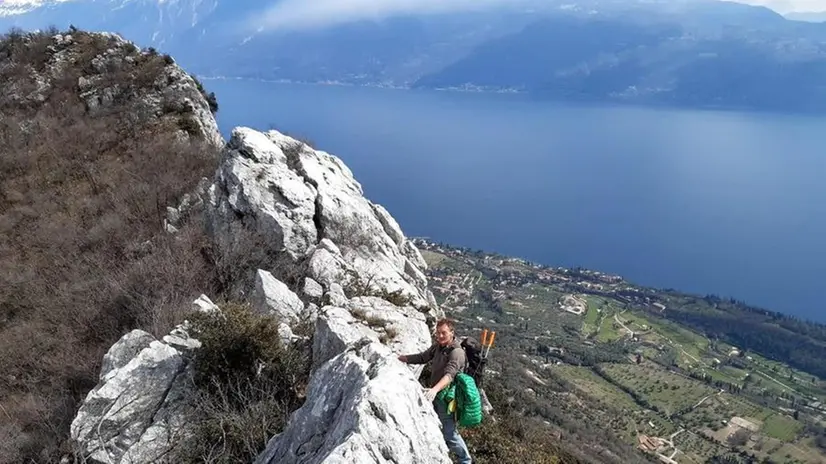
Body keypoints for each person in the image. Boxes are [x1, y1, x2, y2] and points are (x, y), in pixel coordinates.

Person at [398, 318, 473, 464]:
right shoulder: (438, 347)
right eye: (438, 333)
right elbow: (422, 357)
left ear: (452, 333)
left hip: (447, 398)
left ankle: (465, 460)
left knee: (449, 433)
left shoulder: (456, 352)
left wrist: (434, 390)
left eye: (443, 333)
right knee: (437, 429)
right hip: (436, 394)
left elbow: (449, 375)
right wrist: (403, 358)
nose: (440, 336)